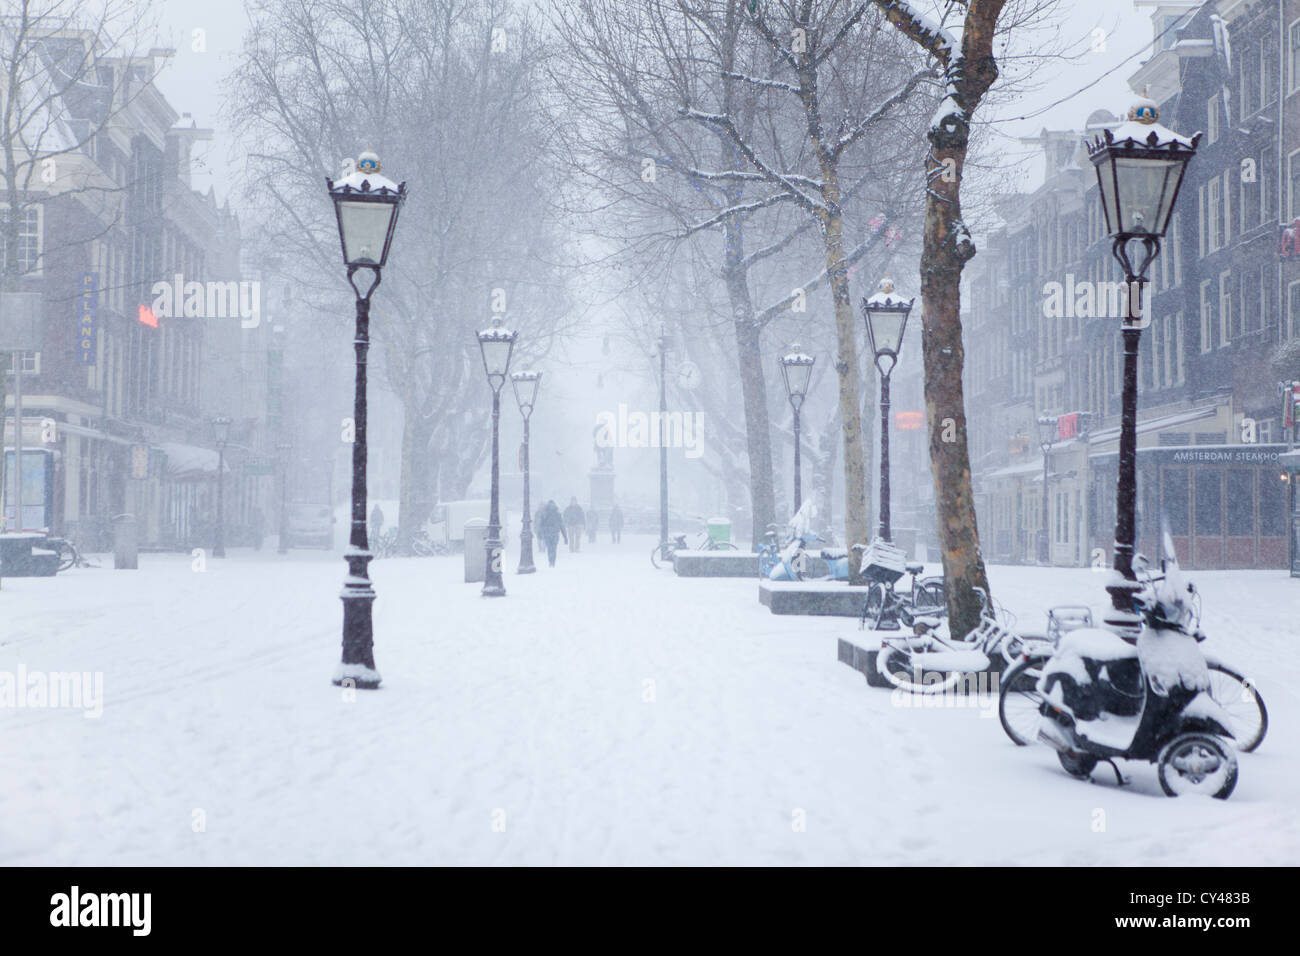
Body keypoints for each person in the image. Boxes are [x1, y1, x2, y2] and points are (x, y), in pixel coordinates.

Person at [537, 499, 567, 567]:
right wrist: (565, 536)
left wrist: (539, 533)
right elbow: (562, 525)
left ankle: (550, 561)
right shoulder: (557, 514)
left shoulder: (544, 514)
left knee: (549, 548)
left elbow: (541, 524)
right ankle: (553, 561)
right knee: (554, 548)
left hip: (547, 533)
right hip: (555, 533)